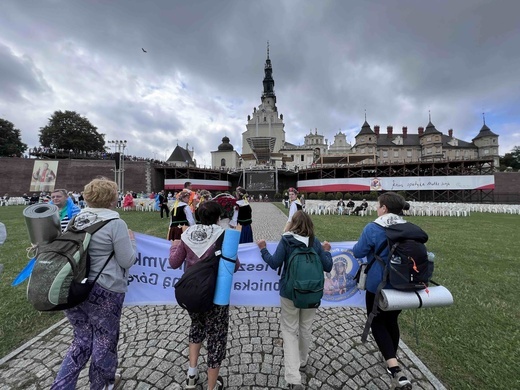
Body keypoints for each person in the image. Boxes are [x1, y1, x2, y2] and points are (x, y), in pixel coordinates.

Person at [51, 177, 137, 390]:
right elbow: (127, 260)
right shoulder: (115, 223)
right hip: (104, 290)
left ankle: (61, 386)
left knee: (81, 340)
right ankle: (102, 384)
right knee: (105, 339)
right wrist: (131, 240)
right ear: (111, 199)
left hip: (74, 287)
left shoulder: (76, 219)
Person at [169, 201, 241, 390]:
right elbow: (235, 265)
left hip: (193, 293)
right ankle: (211, 386)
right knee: (216, 339)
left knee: (196, 328)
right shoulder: (222, 235)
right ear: (218, 218)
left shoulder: (187, 235)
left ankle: (191, 374)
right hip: (216, 294)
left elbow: (174, 263)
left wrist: (174, 245)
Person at [257, 211, 332, 390]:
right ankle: (303, 361)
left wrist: (263, 249)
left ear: (292, 224)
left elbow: (274, 262)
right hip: (312, 292)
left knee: (289, 331)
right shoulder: (315, 241)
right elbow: (328, 265)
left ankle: (293, 378)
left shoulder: (287, 239)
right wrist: (327, 251)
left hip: (290, 292)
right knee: (305, 327)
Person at [352, 192, 415, 390]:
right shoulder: (409, 228)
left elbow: (358, 251)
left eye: (378, 205)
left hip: (378, 284)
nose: (377, 208)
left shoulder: (373, 227)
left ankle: (395, 370)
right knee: (391, 321)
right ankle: (391, 357)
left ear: (384, 208)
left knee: (377, 322)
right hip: (404, 282)